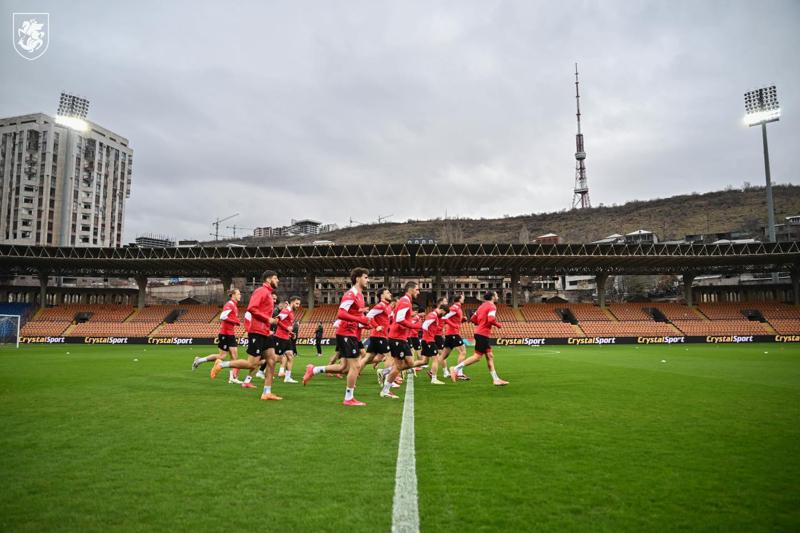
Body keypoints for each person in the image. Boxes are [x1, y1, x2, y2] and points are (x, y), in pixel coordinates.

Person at [303, 267, 373, 406]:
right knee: (355, 367)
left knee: (344, 368)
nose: (368, 280)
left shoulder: (359, 295)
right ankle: (349, 398)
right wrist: (360, 320)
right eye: (365, 277)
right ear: (358, 278)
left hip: (349, 333)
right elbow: (341, 314)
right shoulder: (351, 294)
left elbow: (354, 313)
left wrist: (363, 319)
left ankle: (314, 369)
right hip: (347, 333)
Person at [211, 271, 283, 401]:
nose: (278, 280)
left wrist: (272, 320)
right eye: (275, 278)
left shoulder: (268, 293)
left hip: (266, 332)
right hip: (257, 331)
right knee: (251, 364)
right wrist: (268, 319)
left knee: (272, 360)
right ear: (268, 279)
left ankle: (266, 393)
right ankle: (221, 364)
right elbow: (252, 308)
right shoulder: (261, 291)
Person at [449, 291, 509, 386]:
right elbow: (491, 319)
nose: (497, 296)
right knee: (477, 357)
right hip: (483, 334)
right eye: (496, 294)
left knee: (489, 356)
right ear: (493, 297)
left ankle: (496, 379)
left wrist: (480, 323)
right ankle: (455, 368)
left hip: (479, 332)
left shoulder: (481, 306)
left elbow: (473, 319)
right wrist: (498, 325)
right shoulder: (492, 306)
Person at [379, 281, 421, 399]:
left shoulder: (406, 301)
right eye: (417, 289)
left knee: (410, 363)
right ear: (411, 289)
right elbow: (399, 319)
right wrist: (415, 326)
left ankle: (385, 372)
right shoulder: (405, 301)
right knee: (398, 366)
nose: (418, 292)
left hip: (401, 337)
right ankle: (385, 390)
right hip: (397, 338)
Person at [192, 288, 242, 384]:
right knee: (222, 356)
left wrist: (235, 321)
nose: (240, 295)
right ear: (233, 295)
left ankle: (232, 378)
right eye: (238, 294)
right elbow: (222, 317)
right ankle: (199, 360)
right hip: (225, 334)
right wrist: (235, 321)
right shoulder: (229, 304)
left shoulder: (234, 305)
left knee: (234, 356)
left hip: (231, 334)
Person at [361, 287, 393, 373]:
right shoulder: (380, 305)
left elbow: (390, 320)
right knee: (389, 356)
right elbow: (369, 315)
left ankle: (354, 370)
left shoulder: (388, 306)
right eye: (387, 292)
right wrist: (376, 326)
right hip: (379, 336)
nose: (390, 294)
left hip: (379, 336)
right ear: (382, 296)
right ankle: (387, 377)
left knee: (368, 358)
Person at [440, 293, 469, 381]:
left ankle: (432, 371)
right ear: (459, 299)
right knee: (463, 352)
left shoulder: (458, 308)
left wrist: (462, 320)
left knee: (443, 356)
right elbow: (444, 317)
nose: (464, 298)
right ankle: (459, 373)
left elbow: (453, 320)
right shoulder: (455, 307)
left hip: (450, 334)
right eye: (463, 296)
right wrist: (453, 325)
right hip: (453, 334)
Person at [274, 296, 301, 383]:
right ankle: (260, 368)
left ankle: (287, 377)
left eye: (299, 304)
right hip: (280, 337)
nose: (298, 306)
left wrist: (291, 333)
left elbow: (287, 326)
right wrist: (287, 329)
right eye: (297, 303)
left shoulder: (291, 312)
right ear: (292, 302)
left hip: (286, 337)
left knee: (290, 355)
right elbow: (277, 320)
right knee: (275, 358)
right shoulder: (286, 310)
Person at [420, 304, 449, 385]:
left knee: (424, 362)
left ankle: (405, 368)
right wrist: (428, 336)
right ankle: (434, 379)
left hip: (427, 340)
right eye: (445, 313)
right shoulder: (433, 315)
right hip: (429, 340)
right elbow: (424, 325)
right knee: (436, 359)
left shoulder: (435, 315)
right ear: (442, 310)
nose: (444, 315)